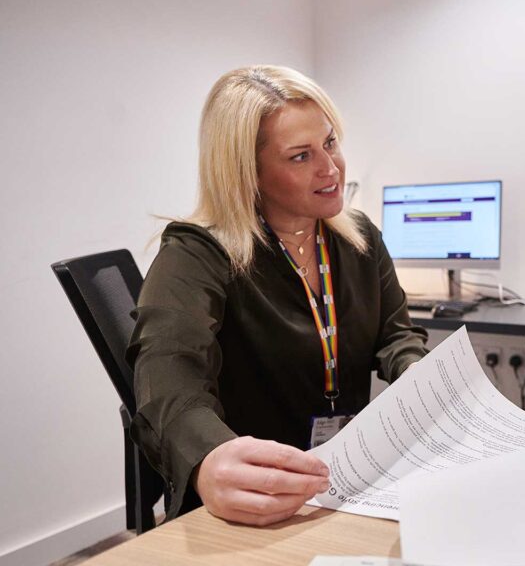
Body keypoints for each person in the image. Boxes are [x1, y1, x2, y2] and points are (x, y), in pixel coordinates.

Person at [128, 65, 428, 525]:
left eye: (330, 142)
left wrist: (423, 381)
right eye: (300, 156)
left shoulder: (359, 238)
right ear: (248, 173)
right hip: (259, 497)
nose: (331, 169)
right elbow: (169, 380)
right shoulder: (197, 253)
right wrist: (210, 457)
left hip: (346, 481)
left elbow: (395, 336)